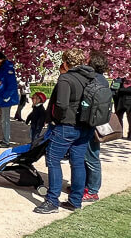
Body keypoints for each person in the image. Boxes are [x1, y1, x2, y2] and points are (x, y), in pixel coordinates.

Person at [34, 48, 96, 214]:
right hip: (86, 127)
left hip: (66, 126)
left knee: (53, 161)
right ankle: (75, 200)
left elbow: (61, 104)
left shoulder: (66, 79)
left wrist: (56, 119)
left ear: (65, 62)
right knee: (77, 163)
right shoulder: (92, 78)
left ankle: (52, 200)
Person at [84, 51, 111, 203]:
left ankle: (93, 190)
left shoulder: (95, 80)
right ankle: (88, 186)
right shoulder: (102, 79)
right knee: (89, 156)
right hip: (96, 122)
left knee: (91, 157)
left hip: (92, 123)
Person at [0, 51, 19, 147]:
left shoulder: (7, 68)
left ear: (1, 59)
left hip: (6, 99)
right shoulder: (2, 68)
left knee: (5, 120)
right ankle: (4, 138)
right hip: (3, 97)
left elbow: (11, 84)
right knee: (3, 119)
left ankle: (6, 141)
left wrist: (6, 96)